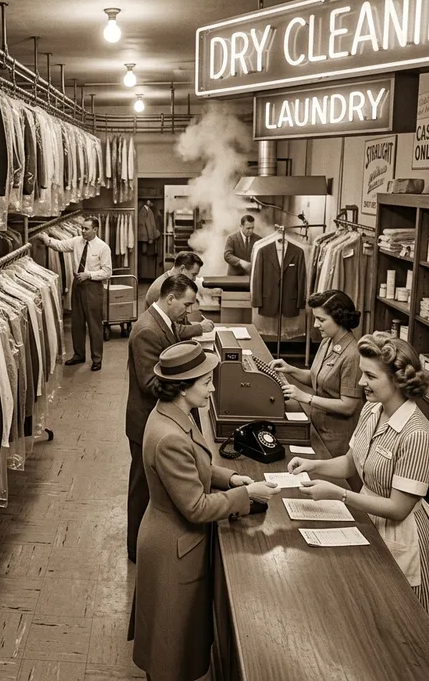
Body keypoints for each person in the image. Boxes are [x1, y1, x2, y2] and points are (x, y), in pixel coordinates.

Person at [130, 341, 280, 681]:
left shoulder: (174, 413)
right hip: (174, 548)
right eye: (206, 382)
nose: (212, 388)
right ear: (184, 388)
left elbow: (195, 465)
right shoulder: (170, 435)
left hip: (175, 541)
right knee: (170, 649)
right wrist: (247, 493)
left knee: (175, 642)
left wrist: (231, 478)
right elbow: (196, 507)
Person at [288, 332, 429, 627]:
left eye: (370, 376)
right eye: (361, 373)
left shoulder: (418, 435)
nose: (361, 383)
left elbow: (398, 508)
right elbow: (350, 463)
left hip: (402, 536)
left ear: (397, 380)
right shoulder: (372, 409)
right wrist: (313, 464)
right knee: (369, 616)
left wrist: (340, 495)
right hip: (369, 520)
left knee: (406, 629)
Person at [126, 274, 199, 562]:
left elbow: (173, 336)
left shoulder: (162, 322)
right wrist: (190, 386)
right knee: (141, 489)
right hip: (145, 422)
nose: (189, 311)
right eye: (187, 304)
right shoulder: (147, 330)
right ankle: (134, 549)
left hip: (155, 419)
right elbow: (149, 383)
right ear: (170, 298)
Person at [271, 290, 364, 456]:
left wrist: (306, 397)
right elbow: (318, 378)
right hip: (317, 425)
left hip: (336, 437)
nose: (315, 324)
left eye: (321, 319)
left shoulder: (352, 355)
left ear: (339, 319)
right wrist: (290, 369)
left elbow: (349, 406)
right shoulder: (327, 341)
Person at [40, 216, 112, 371]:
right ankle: (79, 355)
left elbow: (107, 271)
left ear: (95, 230)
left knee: (94, 324)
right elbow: (59, 245)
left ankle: (97, 359)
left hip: (93, 286)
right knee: (77, 322)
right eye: (82, 228)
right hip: (78, 285)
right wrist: (46, 238)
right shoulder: (76, 241)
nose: (83, 231)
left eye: (86, 228)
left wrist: (89, 275)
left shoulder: (102, 247)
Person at [145, 251, 214, 338]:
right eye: (193, 274)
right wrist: (200, 328)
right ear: (182, 269)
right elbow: (169, 328)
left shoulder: (173, 282)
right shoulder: (162, 288)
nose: (194, 279)